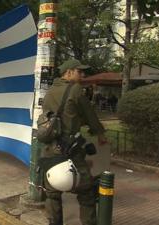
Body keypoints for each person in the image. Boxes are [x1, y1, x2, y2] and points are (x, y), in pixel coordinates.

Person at [42, 59, 107, 225]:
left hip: (51, 148)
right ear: (69, 72)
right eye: (80, 71)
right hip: (71, 149)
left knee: (52, 193)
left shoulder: (50, 90)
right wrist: (99, 133)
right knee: (86, 192)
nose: (83, 75)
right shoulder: (76, 89)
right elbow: (89, 114)